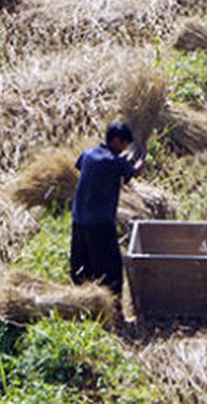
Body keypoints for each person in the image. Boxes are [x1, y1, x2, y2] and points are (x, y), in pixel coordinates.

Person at [70, 121, 143, 299]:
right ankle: (113, 308)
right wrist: (141, 160)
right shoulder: (113, 161)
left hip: (78, 220)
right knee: (111, 269)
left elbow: (79, 166)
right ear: (117, 140)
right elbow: (134, 173)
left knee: (83, 268)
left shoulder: (87, 154)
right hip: (100, 223)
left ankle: (82, 304)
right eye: (125, 143)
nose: (125, 148)